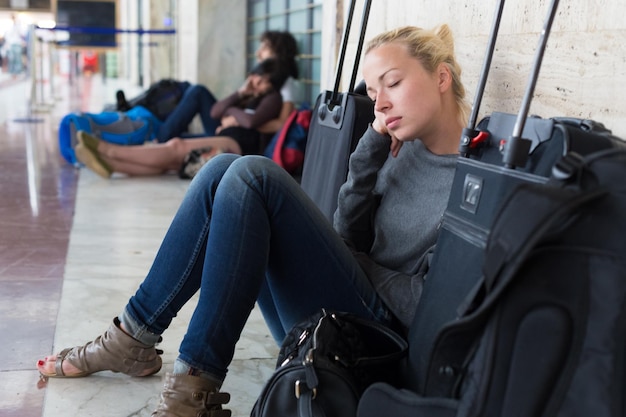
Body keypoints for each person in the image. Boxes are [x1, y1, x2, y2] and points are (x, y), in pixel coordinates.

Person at [37, 24, 470, 416]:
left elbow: (422, 304)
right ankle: (133, 335)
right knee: (219, 169)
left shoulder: (473, 184)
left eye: (393, 83)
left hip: (370, 349)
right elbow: (346, 235)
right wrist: (371, 148)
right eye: (374, 95)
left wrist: (352, 260)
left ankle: (190, 393)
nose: (382, 106)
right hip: (329, 327)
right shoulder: (400, 146)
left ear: (441, 77)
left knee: (251, 175)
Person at [75, 57, 287, 178]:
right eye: (255, 79)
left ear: (273, 84)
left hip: (241, 142)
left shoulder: (273, 97)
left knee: (175, 147)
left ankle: (107, 149)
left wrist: (231, 117)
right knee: (172, 161)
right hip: (231, 136)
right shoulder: (250, 93)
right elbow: (216, 111)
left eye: (262, 82)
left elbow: (251, 121)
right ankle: (111, 165)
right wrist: (241, 93)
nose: (256, 85)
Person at [154, 30, 301, 143]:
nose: (258, 53)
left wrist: (240, 122)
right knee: (196, 93)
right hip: (230, 125)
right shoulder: (258, 76)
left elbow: (282, 124)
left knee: (197, 96)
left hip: (241, 134)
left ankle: (163, 137)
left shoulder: (286, 83)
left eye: (265, 47)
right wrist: (238, 99)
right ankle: (164, 137)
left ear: (278, 52)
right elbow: (215, 112)